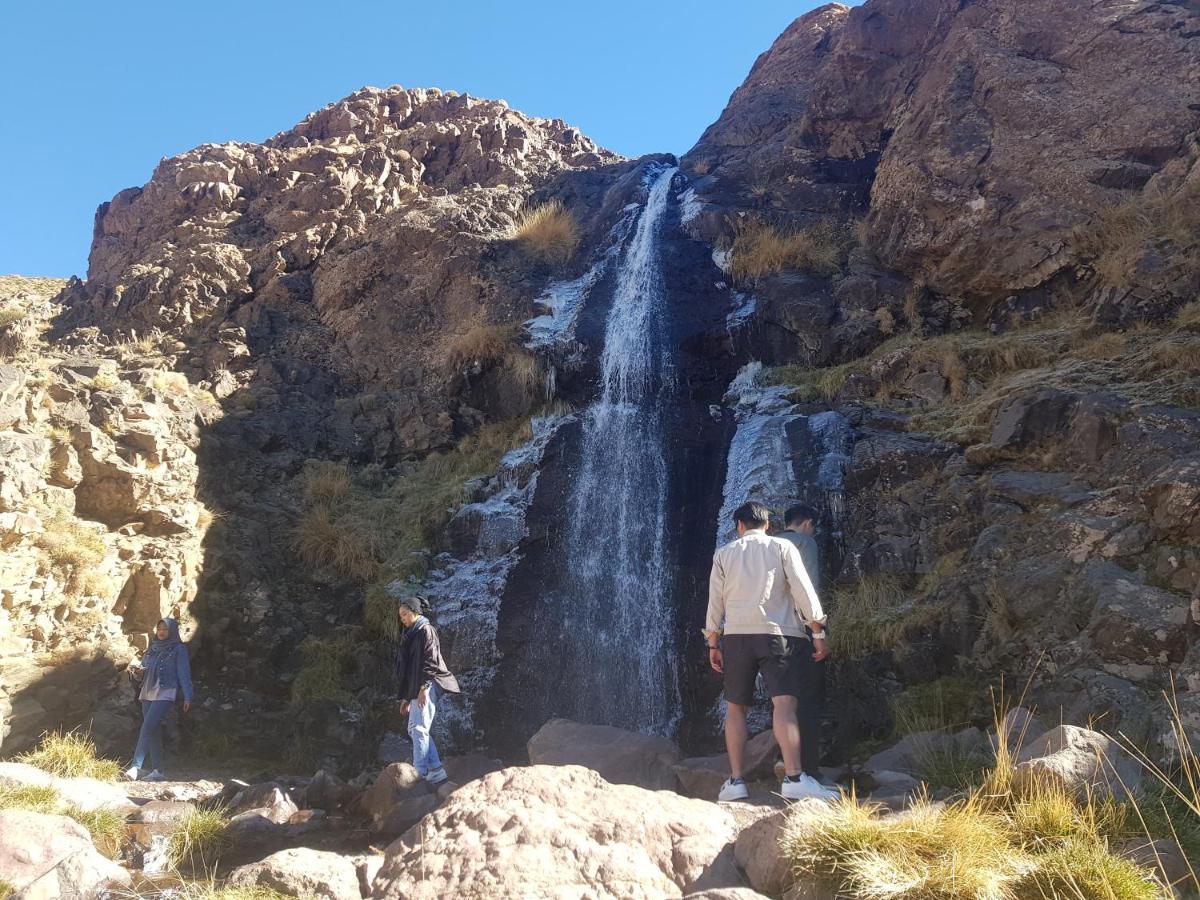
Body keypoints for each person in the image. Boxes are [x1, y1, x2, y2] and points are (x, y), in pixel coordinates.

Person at [706, 501, 835, 802]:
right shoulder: (782, 547)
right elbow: (804, 591)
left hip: (737, 636)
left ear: (739, 526)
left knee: (736, 708)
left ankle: (736, 781)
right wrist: (817, 632)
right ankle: (794, 778)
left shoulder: (723, 554)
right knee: (785, 705)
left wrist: (713, 642)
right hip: (779, 633)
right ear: (767, 526)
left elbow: (715, 602)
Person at [779, 503, 828, 784]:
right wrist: (819, 634)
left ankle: (783, 762)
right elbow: (810, 589)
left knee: (782, 700)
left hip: (771, 633)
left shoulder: (769, 543)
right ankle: (808, 769)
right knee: (808, 700)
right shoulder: (805, 543)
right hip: (802, 630)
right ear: (808, 523)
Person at [395, 596, 460, 786]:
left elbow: (431, 661)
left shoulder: (426, 630)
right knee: (414, 728)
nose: (402, 619)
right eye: (400, 616)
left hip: (429, 684)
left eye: (405, 614)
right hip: (419, 686)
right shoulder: (412, 634)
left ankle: (419, 774)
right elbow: (410, 670)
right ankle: (436, 770)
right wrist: (407, 697)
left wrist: (424, 688)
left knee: (420, 728)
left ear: (415, 612)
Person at [124, 618, 192, 782]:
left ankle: (135, 767)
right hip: (147, 691)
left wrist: (188, 695)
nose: (161, 632)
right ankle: (158, 771)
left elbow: (184, 673)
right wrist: (139, 672)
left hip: (165, 691)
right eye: (159, 629)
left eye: (165, 629)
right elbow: (144, 668)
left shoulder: (178, 648)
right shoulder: (152, 648)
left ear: (173, 631)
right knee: (152, 730)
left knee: (147, 726)